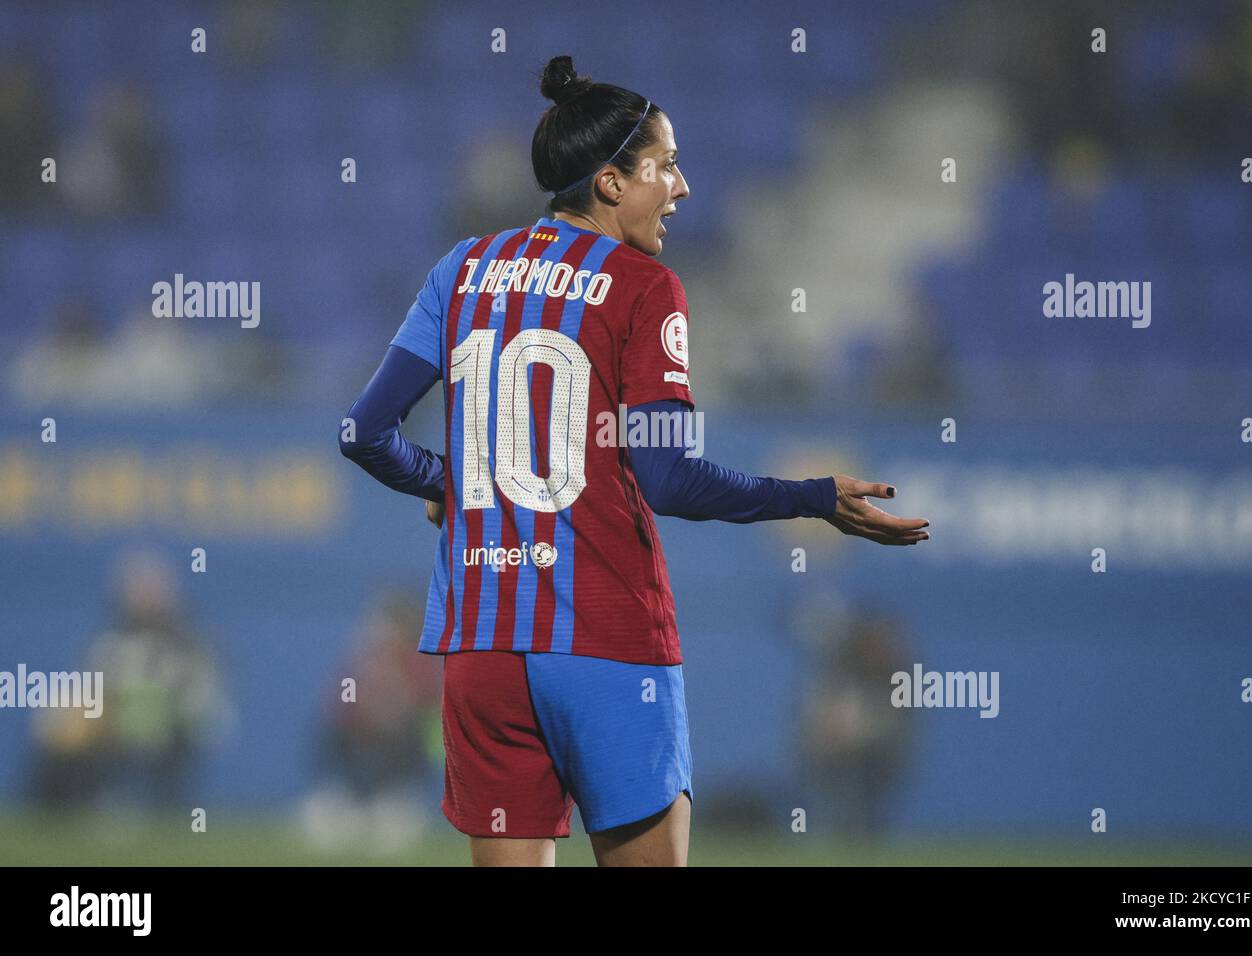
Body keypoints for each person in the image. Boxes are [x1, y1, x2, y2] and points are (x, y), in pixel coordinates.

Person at [338, 54, 929, 867]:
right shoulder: (642, 286)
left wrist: (452, 483)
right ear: (612, 183)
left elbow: (362, 433)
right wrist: (816, 498)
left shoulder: (461, 268)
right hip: (605, 643)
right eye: (666, 166)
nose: (681, 188)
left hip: (481, 649)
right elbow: (669, 477)